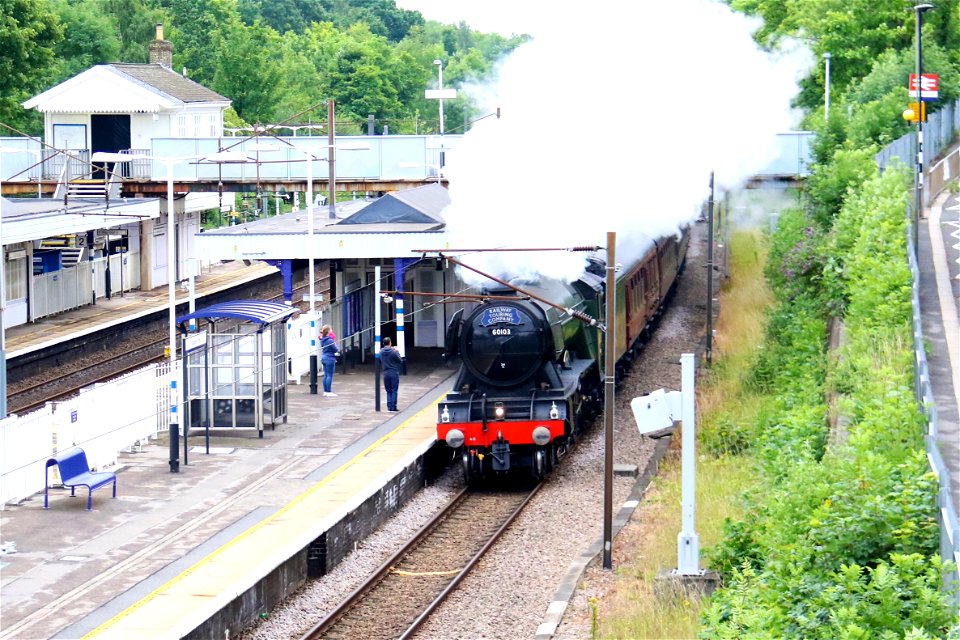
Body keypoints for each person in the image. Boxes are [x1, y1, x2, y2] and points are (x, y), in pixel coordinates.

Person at [380, 337, 403, 411]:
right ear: (390, 343)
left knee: (388, 390)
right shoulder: (393, 352)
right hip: (393, 372)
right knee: (394, 390)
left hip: (385, 372)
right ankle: (393, 406)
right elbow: (400, 360)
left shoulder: (381, 352)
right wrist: (397, 351)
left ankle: (389, 405)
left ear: (383, 343)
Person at [320, 325, 340, 396]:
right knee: (329, 375)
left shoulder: (323, 339)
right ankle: (328, 392)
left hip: (324, 358)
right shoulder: (330, 340)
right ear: (328, 331)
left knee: (326, 375)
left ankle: (325, 391)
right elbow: (335, 349)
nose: (332, 330)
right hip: (330, 358)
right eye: (331, 329)